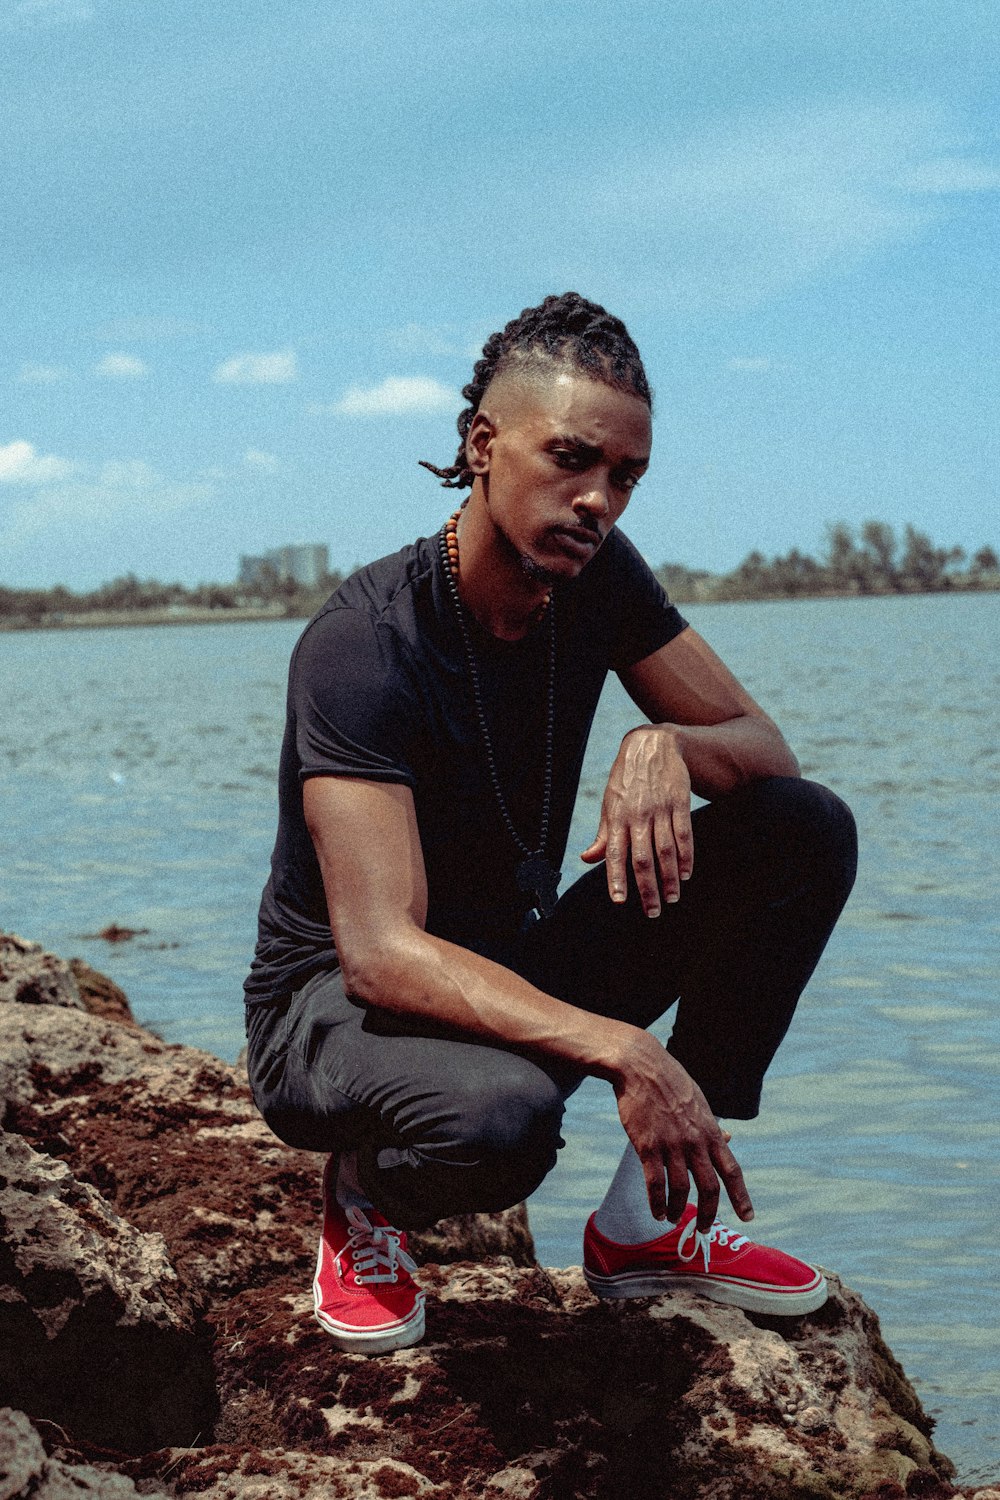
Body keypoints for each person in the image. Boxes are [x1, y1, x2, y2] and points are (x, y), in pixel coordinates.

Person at [244, 292, 857, 1355]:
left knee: (801, 829)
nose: (598, 500)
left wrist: (658, 746)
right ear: (483, 445)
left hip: (510, 963)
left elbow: (765, 754)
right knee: (501, 1122)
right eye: (571, 459)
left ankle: (646, 1228)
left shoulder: (596, 579)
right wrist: (627, 1052)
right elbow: (383, 953)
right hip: (340, 1012)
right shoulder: (362, 644)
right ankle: (364, 1197)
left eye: (624, 476)